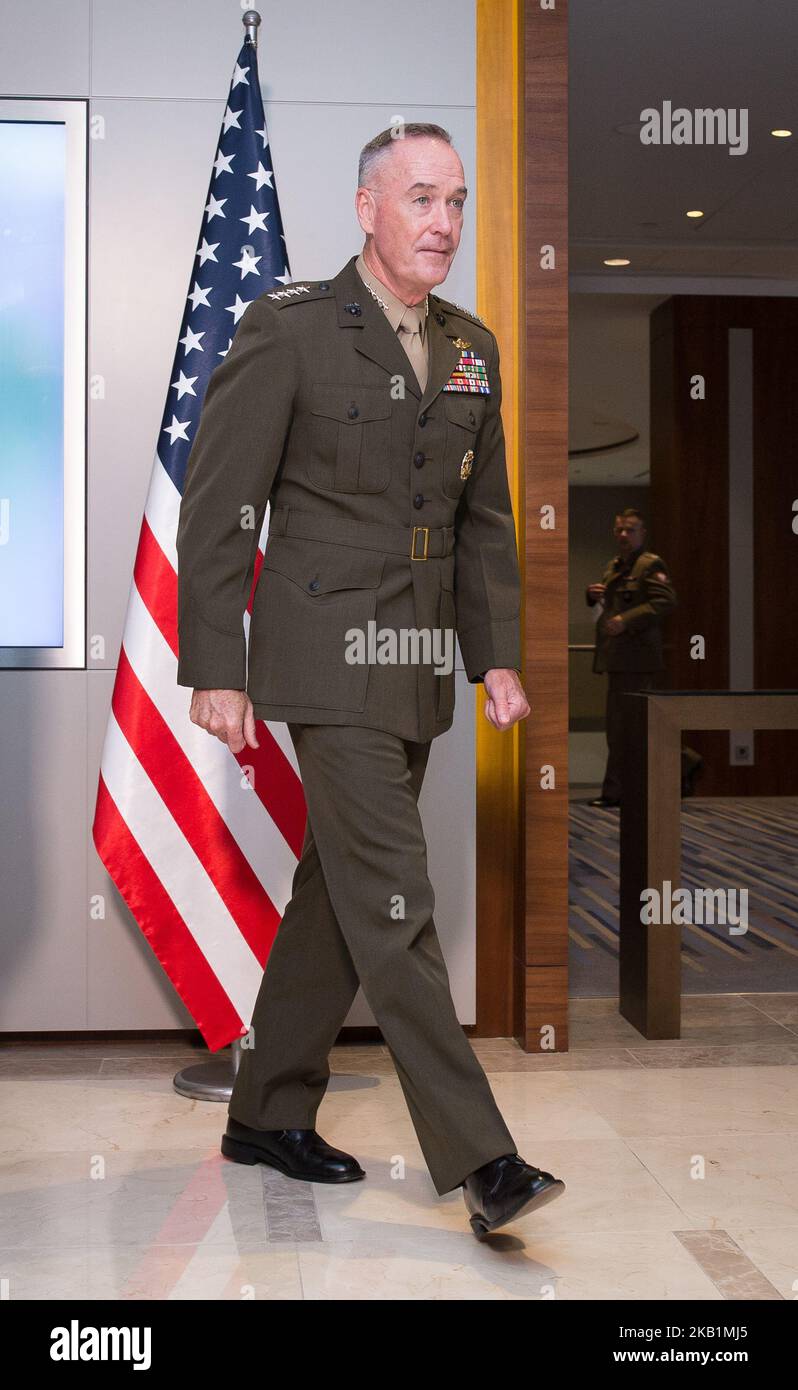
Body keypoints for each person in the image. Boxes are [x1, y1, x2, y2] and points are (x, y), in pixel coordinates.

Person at [175, 122, 564, 1237]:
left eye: (457, 203)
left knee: (337, 897)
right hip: (322, 655)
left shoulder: (473, 348)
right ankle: (484, 1159)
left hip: (413, 667)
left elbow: (482, 525)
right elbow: (219, 503)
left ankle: (266, 1110)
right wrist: (218, 664)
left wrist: (492, 656)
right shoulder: (289, 331)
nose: (443, 222)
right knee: (398, 897)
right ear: (367, 208)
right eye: (422, 200)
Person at [586, 508, 677, 807]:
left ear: (642, 533)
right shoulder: (615, 566)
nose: (623, 535)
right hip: (617, 660)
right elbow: (607, 606)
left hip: (638, 661)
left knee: (631, 728)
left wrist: (627, 619)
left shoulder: (650, 565)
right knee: (618, 728)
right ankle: (618, 791)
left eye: (630, 530)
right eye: (619, 530)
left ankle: (625, 791)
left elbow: (665, 601)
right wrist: (593, 596)